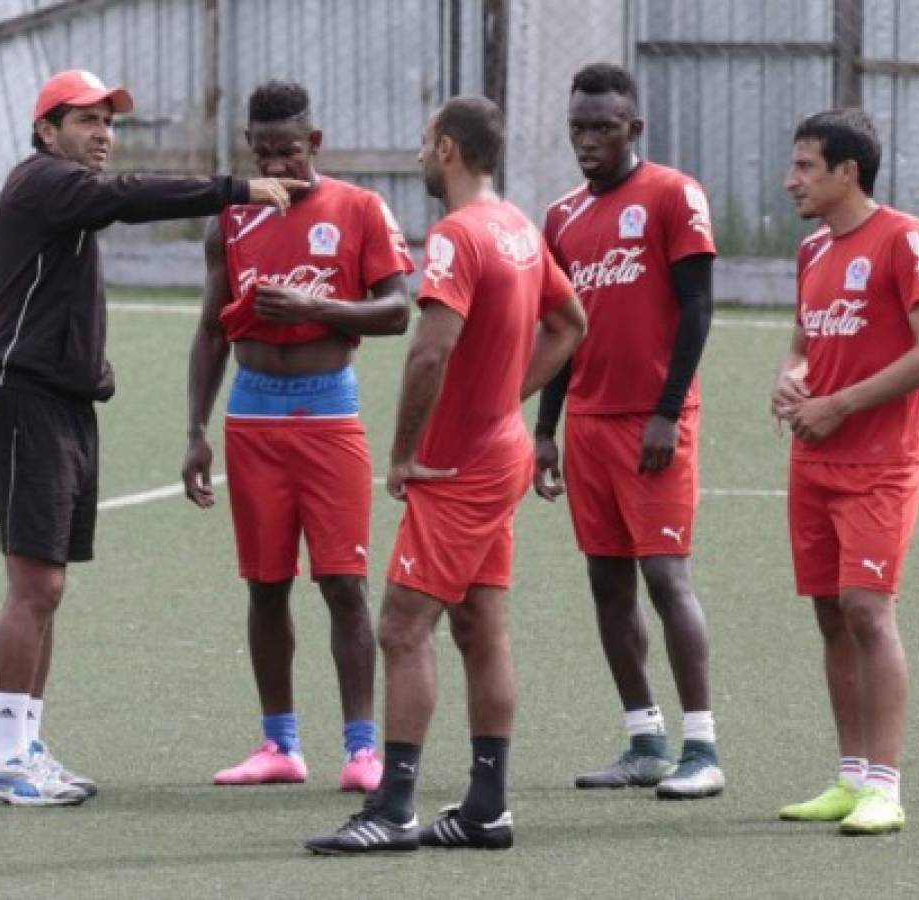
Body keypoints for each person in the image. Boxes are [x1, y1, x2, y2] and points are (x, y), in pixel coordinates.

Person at [0, 69, 303, 806]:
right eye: (85, 120)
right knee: (36, 584)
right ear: (46, 131)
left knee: (49, 587)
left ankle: (25, 745)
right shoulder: (43, 182)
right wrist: (233, 188)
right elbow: (126, 199)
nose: (101, 135)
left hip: (62, 403)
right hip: (23, 404)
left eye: (107, 122)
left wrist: (89, 364)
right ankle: (1, 760)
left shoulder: (63, 200)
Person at [305, 95, 586, 854]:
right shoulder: (520, 227)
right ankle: (486, 809)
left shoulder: (458, 237)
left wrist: (401, 453)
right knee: (480, 625)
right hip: (500, 448)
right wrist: (509, 399)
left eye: (426, 141)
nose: (420, 153)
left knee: (401, 626)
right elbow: (570, 324)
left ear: (451, 151)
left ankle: (393, 809)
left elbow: (429, 351)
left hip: (457, 461)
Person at [182, 80, 412, 792]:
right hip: (251, 414)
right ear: (248, 147)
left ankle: (362, 750)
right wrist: (194, 429)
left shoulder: (359, 207)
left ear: (314, 143)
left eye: (289, 151)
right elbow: (210, 327)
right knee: (265, 584)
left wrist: (317, 305)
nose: (277, 165)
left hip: (327, 412)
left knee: (343, 583)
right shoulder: (231, 215)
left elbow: (398, 311)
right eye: (264, 151)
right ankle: (279, 744)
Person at [534, 63, 723, 799]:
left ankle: (701, 748)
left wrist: (667, 412)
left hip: (652, 423)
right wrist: (545, 427)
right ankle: (644, 738)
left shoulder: (673, 195)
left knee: (665, 576)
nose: (587, 140)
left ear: (633, 129)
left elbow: (698, 308)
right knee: (605, 581)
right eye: (578, 126)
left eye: (602, 128)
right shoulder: (560, 216)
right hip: (584, 423)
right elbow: (559, 328)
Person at [772, 108, 919, 835]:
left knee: (868, 611)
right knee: (829, 613)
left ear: (848, 172)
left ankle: (885, 784)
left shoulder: (905, 238)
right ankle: (847, 779)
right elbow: (803, 339)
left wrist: (838, 403)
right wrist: (791, 376)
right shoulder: (812, 251)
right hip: (812, 460)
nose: (790, 181)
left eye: (806, 166)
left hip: (878, 464)